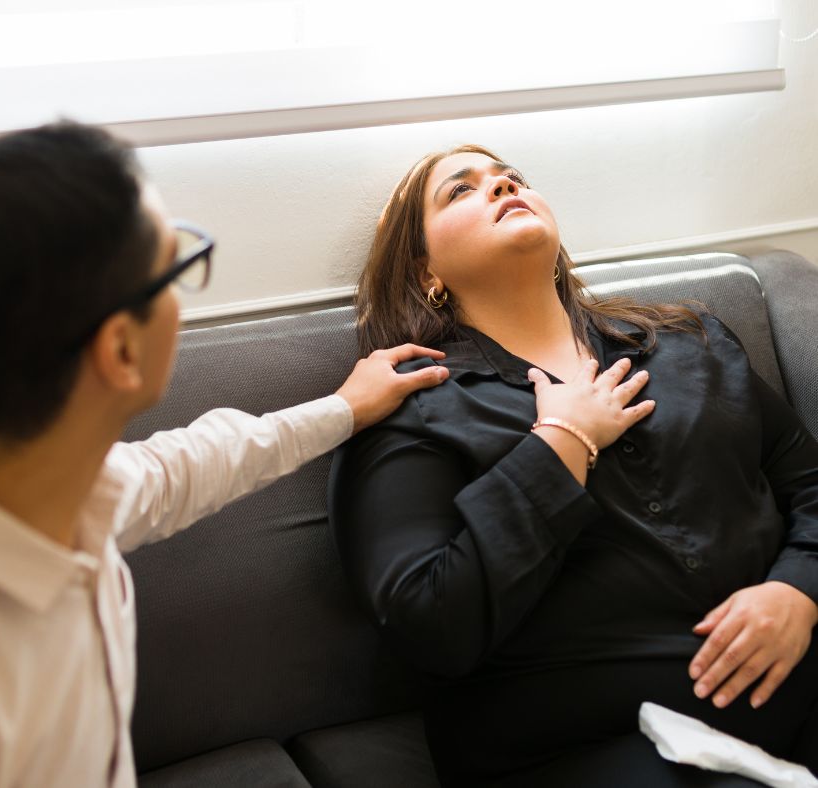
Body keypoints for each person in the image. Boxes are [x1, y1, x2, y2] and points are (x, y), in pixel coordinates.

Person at [0, 122, 450, 787]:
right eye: (176, 268)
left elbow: (194, 462)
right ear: (120, 352)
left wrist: (347, 408)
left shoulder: (42, 475)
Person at [328, 144, 818, 787]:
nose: (501, 184)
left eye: (511, 177)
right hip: (582, 750)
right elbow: (428, 623)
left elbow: (809, 485)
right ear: (426, 269)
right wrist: (560, 444)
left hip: (797, 692)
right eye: (461, 190)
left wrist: (798, 589)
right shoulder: (409, 408)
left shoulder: (690, 342)